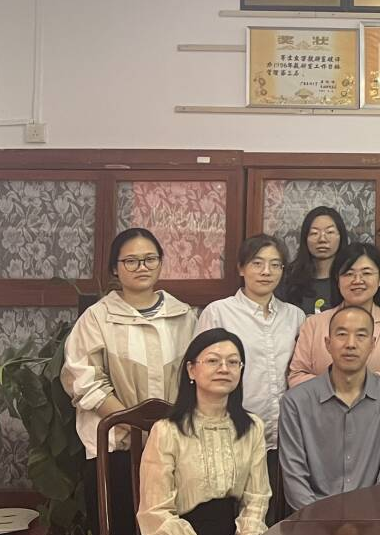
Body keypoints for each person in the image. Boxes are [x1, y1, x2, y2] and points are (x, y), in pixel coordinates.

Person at [62, 228, 197, 535]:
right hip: (115, 449)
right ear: (115, 268)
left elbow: (195, 377)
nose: (142, 267)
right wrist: (135, 424)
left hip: (173, 448)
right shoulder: (97, 318)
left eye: (150, 259)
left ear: (160, 263)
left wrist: (165, 431)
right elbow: (84, 380)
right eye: (131, 261)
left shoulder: (184, 316)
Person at [195, 234, 304, 523]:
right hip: (232, 433)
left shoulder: (295, 316)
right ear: (241, 268)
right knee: (231, 517)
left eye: (275, 264)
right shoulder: (219, 312)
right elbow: (201, 372)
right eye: (257, 263)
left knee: (275, 516)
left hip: (283, 437)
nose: (266, 271)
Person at [137, 329, 270, 535]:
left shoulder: (253, 427)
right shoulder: (166, 431)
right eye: (213, 361)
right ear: (191, 370)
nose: (224, 369)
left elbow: (257, 499)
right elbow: (155, 511)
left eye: (233, 362)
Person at [279, 306, 380, 510]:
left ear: (373, 344)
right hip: (313, 519)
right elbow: (294, 477)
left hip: (373, 516)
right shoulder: (295, 401)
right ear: (327, 344)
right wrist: (320, 521)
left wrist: (373, 518)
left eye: (361, 335)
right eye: (341, 334)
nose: (350, 344)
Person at [287, 242, 380, 390]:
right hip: (320, 404)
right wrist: (337, 386)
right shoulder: (313, 324)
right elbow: (296, 377)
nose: (357, 280)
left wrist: (357, 382)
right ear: (337, 279)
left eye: (366, 273)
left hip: (378, 405)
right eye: (349, 273)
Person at [279, 207, 349, 315]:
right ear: (305, 238)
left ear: (341, 236)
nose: (322, 239)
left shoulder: (350, 279)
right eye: (314, 233)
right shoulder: (288, 278)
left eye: (330, 232)